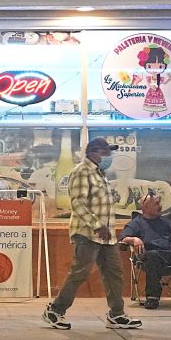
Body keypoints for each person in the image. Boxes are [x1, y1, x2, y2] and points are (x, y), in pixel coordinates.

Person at [43, 137, 142, 330]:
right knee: (80, 272)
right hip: (88, 233)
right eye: (106, 152)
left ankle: (117, 314)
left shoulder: (99, 173)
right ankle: (55, 310)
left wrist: (106, 228)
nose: (109, 156)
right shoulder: (82, 171)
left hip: (107, 235)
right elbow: (77, 203)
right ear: (94, 151)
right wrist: (97, 225)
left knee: (114, 273)